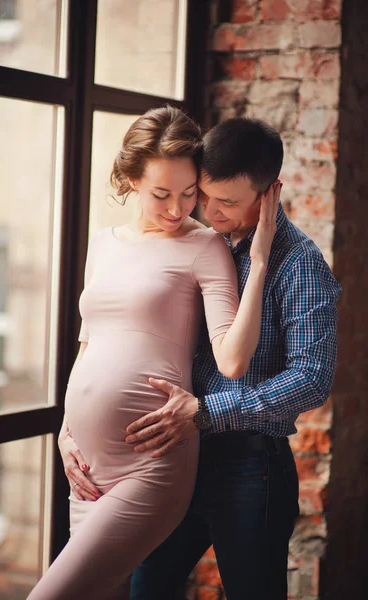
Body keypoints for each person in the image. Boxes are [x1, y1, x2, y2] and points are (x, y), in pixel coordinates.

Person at [60, 116, 341, 600]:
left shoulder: (299, 262)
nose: (208, 210)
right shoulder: (190, 239)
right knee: (146, 592)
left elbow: (312, 378)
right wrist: (73, 427)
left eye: (227, 202)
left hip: (248, 466)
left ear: (269, 191)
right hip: (168, 454)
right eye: (203, 194)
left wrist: (207, 412)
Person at [28, 106, 280, 600]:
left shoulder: (204, 246)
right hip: (87, 467)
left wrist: (260, 257)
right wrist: (64, 430)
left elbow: (232, 360)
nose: (177, 209)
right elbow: (89, 344)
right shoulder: (102, 244)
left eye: (190, 194)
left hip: (153, 463)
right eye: (161, 193)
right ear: (130, 179)